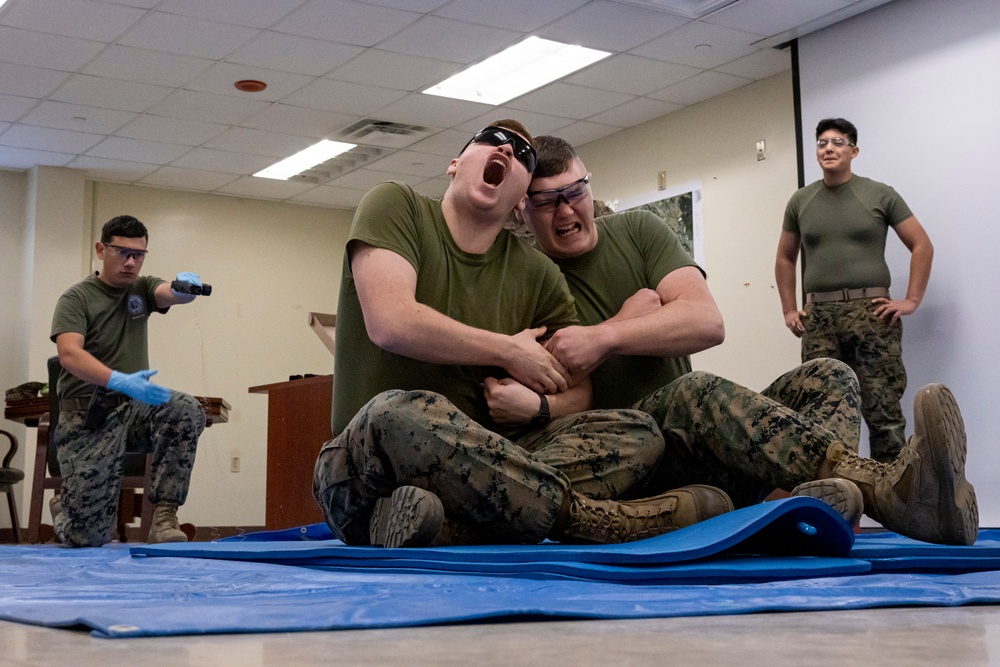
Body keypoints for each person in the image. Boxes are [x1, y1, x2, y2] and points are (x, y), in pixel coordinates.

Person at [518, 135, 977, 546]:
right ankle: (891, 494)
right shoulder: (526, 278)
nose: (566, 210)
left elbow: (705, 322)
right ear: (522, 208)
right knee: (691, 394)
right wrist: (630, 321)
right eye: (546, 201)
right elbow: (537, 395)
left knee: (829, 376)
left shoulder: (639, 231)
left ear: (589, 186)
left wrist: (605, 336)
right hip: (635, 461)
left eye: (575, 191)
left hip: (704, 449)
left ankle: (821, 505)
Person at [312, 120, 734, 549]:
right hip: (367, 470)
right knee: (396, 414)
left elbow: (579, 393)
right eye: (494, 141)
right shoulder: (396, 205)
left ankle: (450, 526)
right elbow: (392, 322)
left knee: (636, 431)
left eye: (523, 156)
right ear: (455, 164)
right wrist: (508, 351)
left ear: (520, 200)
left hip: (476, 486)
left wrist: (539, 407)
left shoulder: (537, 274)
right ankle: (610, 521)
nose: (508, 152)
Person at [775, 118, 934, 463]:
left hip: (871, 315)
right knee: (822, 415)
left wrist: (911, 300)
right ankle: (838, 505)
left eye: (838, 142)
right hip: (819, 320)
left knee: (883, 414)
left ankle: (894, 506)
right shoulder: (801, 200)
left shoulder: (880, 194)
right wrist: (789, 309)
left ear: (854, 151)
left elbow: (922, 244)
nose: (828, 148)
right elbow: (785, 259)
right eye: (822, 143)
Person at [49, 215, 207, 547]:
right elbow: (69, 354)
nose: (131, 262)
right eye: (122, 252)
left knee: (184, 409)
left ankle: (164, 517)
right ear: (100, 250)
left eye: (139, 254)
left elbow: (168, 293)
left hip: (133, 411)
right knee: (88, 537)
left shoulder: (142, 288)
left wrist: (184, 288)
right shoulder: (76, 298)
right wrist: (118, 380)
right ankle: (66, 508)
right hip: (88, 417)